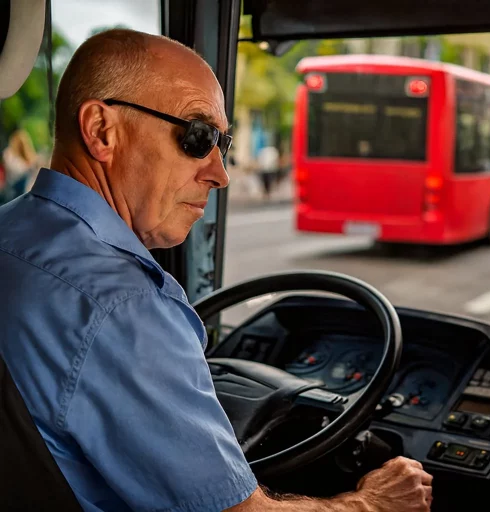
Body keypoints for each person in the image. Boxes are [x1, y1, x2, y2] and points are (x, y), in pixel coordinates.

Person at [0, 28, 432, 512]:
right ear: (103, 130)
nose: (219, 173)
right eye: (197, 136)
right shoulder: (124, 308)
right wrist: (371, 504)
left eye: (222, 142)